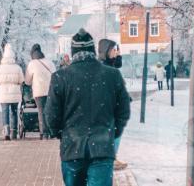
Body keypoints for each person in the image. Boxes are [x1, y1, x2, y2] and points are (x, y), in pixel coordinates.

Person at [46, 29, 131, 186]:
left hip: (72, 148)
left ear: (73, 52)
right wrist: (112, 131)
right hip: (102, 147)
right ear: (93, 50)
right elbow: (123, 110)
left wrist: (60, 133)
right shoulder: (112, 75)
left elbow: (51, 115)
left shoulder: (60, 77)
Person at [98, 39, 129, 171]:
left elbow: (119, 64)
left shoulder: (109, 63)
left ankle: (111, 157)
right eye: (113, 50)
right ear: (106, 51)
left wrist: (119, 54)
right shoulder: (103, 65)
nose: (115, 52)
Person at [25, 44, 56, 140]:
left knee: (41, 112)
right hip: (50, 91)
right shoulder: (49, 62)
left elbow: (27, 81)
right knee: (50, 111)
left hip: (39, 92)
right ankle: (52, 131)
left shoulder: (32, 64)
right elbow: (55, 75)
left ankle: (44, 133)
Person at [0, 44, 24, 141]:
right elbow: (21, 80)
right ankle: (14, 132)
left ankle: (6, 132)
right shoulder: (18, 68)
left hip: (3, 94)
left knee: (5, 112)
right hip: (15, 93)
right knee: (14, 112)